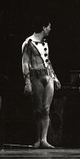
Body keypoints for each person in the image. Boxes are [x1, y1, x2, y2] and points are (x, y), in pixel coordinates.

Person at [21, 16, 61, 149]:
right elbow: (25, 63)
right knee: (38, 110)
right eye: (49, 27)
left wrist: (55, 77)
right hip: (35, 76)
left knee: (46, 109)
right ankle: (38, 139)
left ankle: (44, 139)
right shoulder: (28, 42)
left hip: (47, 76)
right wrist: (27, 81)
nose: (50, 29)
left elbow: (48, 61)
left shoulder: (45, 43)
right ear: (44, 28)